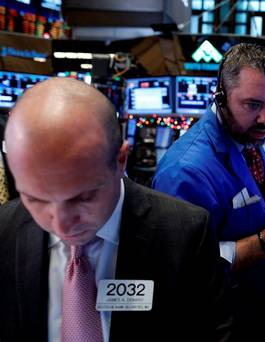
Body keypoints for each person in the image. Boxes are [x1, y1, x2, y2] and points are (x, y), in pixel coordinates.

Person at [0, 78, 232, 342]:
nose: (61, 225)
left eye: (83, 197)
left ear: (120, 160)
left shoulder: (185, 233)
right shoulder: (4, 233)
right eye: (35, 199)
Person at [153, 43, 265, 341]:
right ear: (220, 97)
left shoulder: (252, 140)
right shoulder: (185, 171)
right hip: (218, 325)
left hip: (258, 313)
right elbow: (183, 267)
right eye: (253, 104)